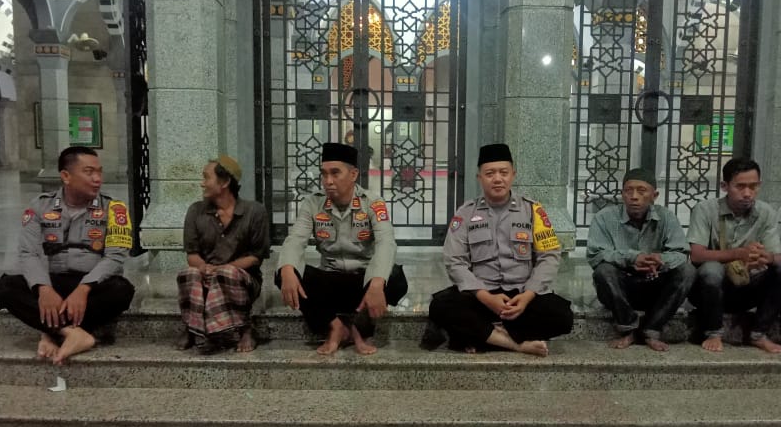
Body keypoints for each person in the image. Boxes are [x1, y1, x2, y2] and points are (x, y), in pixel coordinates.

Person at [426, 143, 573, 357]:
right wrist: (486, 298)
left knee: (563, 316)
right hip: (481, 296)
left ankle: (484, 336)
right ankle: (516, 344)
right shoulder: (465, 213)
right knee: (441, 307)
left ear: (513, 175)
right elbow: (454, 261)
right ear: (479, 178)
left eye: (503, 173)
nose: (497, 179)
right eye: (490, 173)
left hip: (521, 296)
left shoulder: (533, 210)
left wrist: (528, 295)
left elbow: (549, 256)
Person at [0, 146, 135, 365]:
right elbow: (29, 253)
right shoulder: (40, 206)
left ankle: (51, 333)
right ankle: (72, 333)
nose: (97, 179)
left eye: (99, 172)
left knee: (122, 290)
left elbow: (115, 257)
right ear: (66, 176)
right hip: (53, 281)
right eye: (89, 172)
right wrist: (43, 288)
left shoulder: (115, 208)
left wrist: (84, 288)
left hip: (92, 285)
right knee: (6, 287)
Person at [276, 141, 408, 355]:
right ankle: (335, 326)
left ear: (353, 174)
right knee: (284, 273)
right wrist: (288, 268)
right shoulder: (313, 203)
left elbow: (386, 242)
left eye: (335, 173)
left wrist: (376, 282)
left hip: (363, 282)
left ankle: (358, 328)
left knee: (396, 279)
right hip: (330, 281)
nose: (328, 181)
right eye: (324, 174)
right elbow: (296, 239)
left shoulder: (373, 203)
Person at [586, 168, 695, 351]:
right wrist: (632, 258)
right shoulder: (604, 218)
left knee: (687, 271)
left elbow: (681, 253)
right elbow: (595, 254)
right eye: (628, 191)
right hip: (621, 289)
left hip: (655, 286)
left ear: (654, 195)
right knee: (603, 271)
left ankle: (652, 329)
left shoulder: (666, 217)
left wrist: (659, 260)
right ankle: (628, 328)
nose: (634, 197)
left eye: (641, 191)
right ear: (622, 194)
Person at [687, 158, 781, 353]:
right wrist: (739, 253)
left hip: (747, 286)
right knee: (711, 269)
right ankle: (713, 333)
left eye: (753, 186)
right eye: (740, 186)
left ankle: (758, 333)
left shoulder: (766, 212)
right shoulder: (705, 209)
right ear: (725, 186)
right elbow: (696, 255)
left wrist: (766, 257)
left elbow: (777, 256)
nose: (747, 193)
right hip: (709, 291)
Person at [177, 156, 270, 354]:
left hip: (241, 279)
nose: (202, 183)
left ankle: (245, 328)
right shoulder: (196, 211)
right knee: (188, 273)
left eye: (206, 177)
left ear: (225, 182)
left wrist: (223, 268)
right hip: (207, 274)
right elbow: (192, 254)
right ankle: (193, 328)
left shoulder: (254, 211)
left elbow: (256, 257)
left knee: (227, 274)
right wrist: (204, 268)